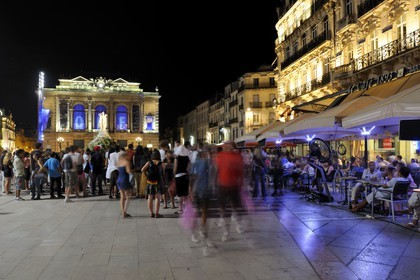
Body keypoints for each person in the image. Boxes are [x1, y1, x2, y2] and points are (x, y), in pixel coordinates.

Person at [215, 141, 245, 242]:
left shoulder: (237, 157)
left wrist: (242, 183)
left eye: (229, 146)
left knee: (235, 208)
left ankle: (237, 223)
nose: (226, 147)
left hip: (234, 185)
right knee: (223, 209)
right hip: (222, 185)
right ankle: (226, 232)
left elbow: (241, 171)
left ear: (233, 148)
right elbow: (216, 170)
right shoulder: (219, 156)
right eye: (225, 146)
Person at [190, 146, 214, 256]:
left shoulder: (195, 163)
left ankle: (195, 234)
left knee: (196, 213)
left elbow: (192, 177)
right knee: (204, 214)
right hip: (203, 191)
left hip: (197, 190)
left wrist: (190, 191)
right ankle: (204, 237)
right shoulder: (206, 162)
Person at [141, 150, 164, 218]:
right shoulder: (162, 163)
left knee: (150, 197)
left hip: (150, 182)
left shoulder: (149, 162)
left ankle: (151, 213)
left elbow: (142, 170)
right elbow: (163, 173)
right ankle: (157, 213)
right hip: (158, 182)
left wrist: (147, 174)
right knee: (157, 198)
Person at [173, 143, 191, 214]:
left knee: (180, 194)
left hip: (178, 176)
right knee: (186, 194)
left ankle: (180, 209)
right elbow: (189, 168)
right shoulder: (187, 158)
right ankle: (186, 208)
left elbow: (175, 168)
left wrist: (173, 176)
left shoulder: (177, 158)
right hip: (185, 176)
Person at [116, 152, 133, 218]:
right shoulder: (127, 162)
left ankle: (122, 211)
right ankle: (124, 212)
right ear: (125, 156)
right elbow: (128, 171)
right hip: (125, 179)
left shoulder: (119, 162)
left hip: (119, 179)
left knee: (122, 196)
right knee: (128, 196)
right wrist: (134, 169)